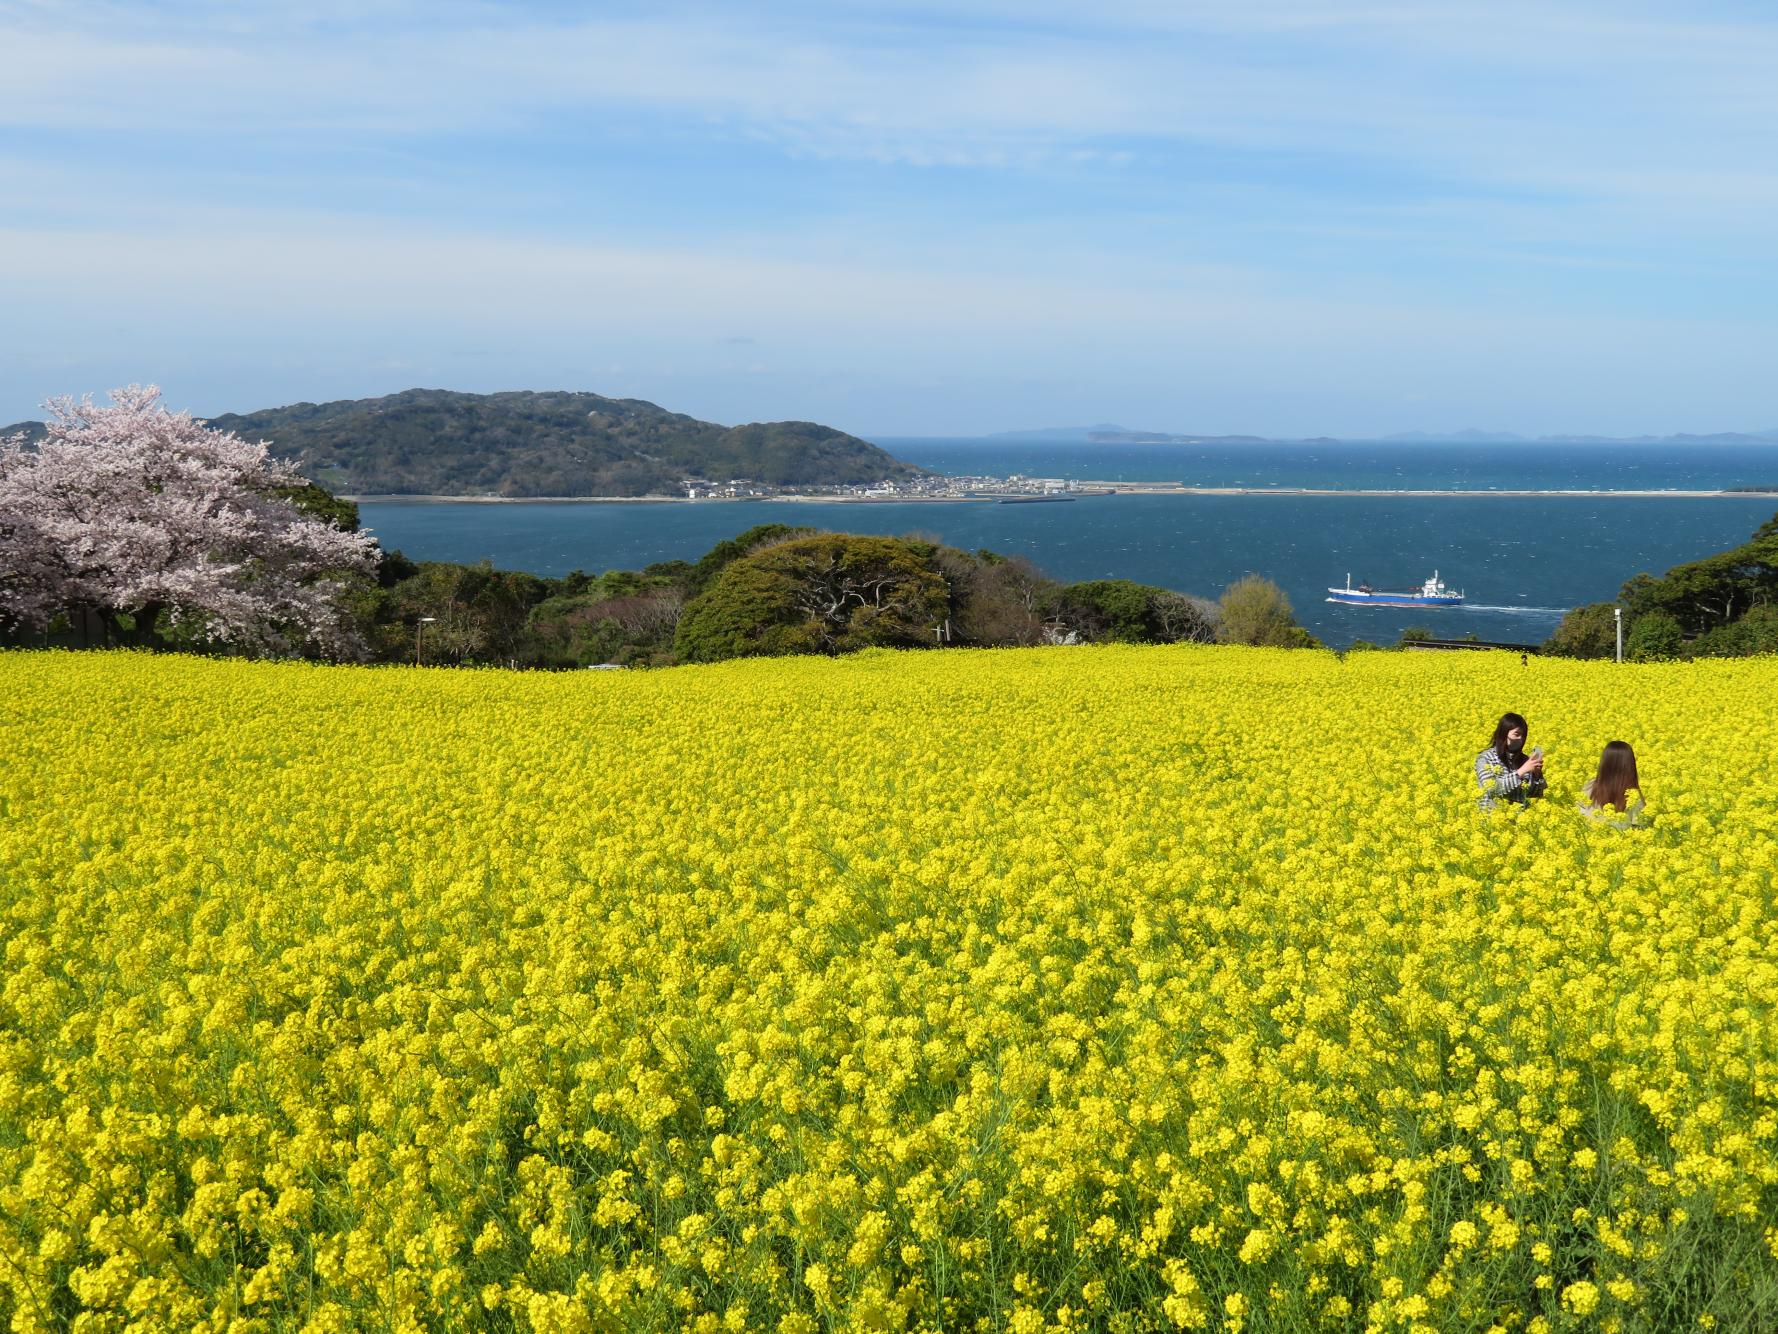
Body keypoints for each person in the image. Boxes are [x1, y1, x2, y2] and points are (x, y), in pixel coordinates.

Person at [1475, 711, 1546, 809]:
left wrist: (1537, 775)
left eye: (1523, 735)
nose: (1520, 738)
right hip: (1493, 819)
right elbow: (1491, 788)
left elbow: (1534, 796)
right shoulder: (1486, 758)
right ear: (1504, 733)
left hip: (1521, 820)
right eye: (1517, 734)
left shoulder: (1525, 760)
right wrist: (1521, 772)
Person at [1579, 740, 1645, 828]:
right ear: (1630, 765)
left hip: (1591, 838)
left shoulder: (1589, 787)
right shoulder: (1633, 795)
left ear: (1604, 763)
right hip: (1622, 840)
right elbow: (1641, 826)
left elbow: (1579, 816)